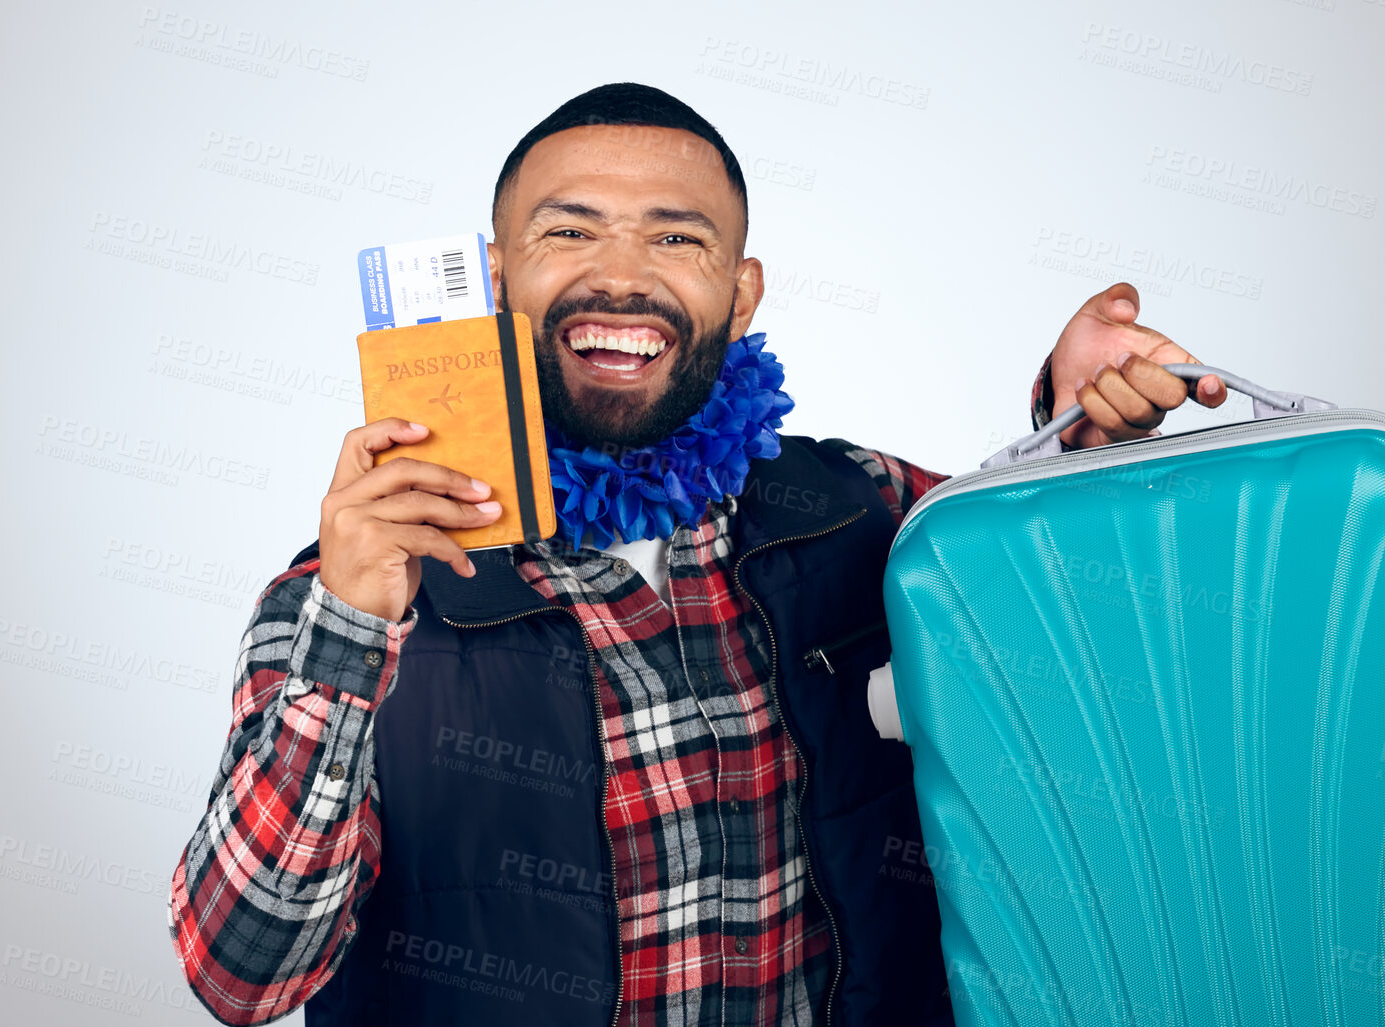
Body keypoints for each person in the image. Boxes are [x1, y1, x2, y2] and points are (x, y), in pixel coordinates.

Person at [167, 82, 1226, 1027]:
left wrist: (1081, 435)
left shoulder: (863, 506)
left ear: (742, 289)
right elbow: (242, 978)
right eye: (569, 233)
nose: (620, 279)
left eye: (676, 240)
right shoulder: (339, 593)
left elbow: (1070, 630)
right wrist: (355, 629)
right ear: (494, 279)